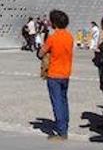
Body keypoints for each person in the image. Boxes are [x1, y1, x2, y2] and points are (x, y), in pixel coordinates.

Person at [38, 9, 74, 142]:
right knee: (64, 100)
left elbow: (41, 53)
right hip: (66, 73)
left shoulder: (53, 37)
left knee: (57, 102)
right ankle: (65, 124)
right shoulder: (69, 36)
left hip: (54, 73)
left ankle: (61, 131)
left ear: (54, 23)